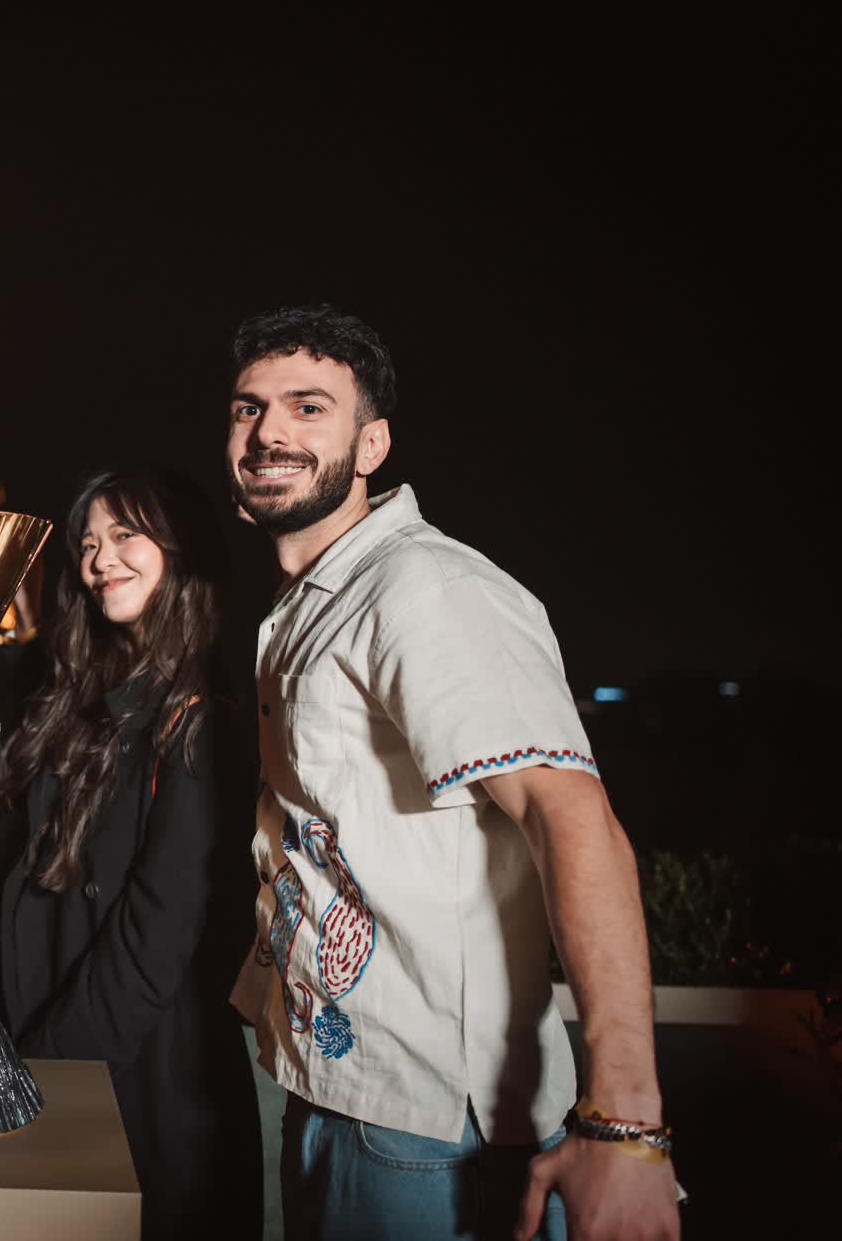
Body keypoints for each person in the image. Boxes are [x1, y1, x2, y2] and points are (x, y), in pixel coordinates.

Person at [223, 306, 681, 1241]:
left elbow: (571, 817)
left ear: (373, 443)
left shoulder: (425, 589)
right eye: (248, 408)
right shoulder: (316, 601)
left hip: (428, 1126)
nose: (268, 431)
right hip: (344, 1089)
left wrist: (625, 1125)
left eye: (309, 407)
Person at [0, 469, 263, 1240]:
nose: (99, 559)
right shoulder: (101, 702)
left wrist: (49, 1067)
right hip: (78, 1050)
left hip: (146, 1076)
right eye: (87, 544)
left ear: (180, 548)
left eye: (124, 535)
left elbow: (158, 931)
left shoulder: (200, 720)